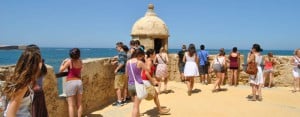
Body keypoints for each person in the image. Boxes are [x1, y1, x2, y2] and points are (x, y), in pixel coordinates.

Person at [3, 44, 43, 117]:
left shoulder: (19, 80)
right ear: (34, 66)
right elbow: (10, 114)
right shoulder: (23, 85)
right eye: (39, 62)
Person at [142, 49, 170, 115]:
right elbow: (146, 73)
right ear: (151, 55)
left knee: (154, 95)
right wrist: (152, 81)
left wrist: (153, 79)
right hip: (146, 81)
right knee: (153, 95)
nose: (155, 55)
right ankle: (160, 110)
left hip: (145, 80)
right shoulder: (149, 62)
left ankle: (160, 109)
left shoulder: (148, 60)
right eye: (154, 53)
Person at [59, 48, 83, 117]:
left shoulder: (70, 61)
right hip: (79, 82)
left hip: (71, 82)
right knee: (79, 103)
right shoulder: (80, 61)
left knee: (71, 105)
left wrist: (63, 62)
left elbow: (61, 70)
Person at [125, 48, 149, 117]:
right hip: (138, 85)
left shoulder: (128, 62)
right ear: (140, 55)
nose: (142, 58)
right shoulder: (139, 62)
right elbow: (148, 69)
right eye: (142, 56)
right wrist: (146, 59)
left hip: (130, 85)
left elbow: (126, 74)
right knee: (135, 107)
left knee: (136, 104)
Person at [111, 42, 128, 106]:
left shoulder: (121, 53)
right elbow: (122, 60)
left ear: (120, 47)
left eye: (116, 47)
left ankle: (119, 101)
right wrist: (116, 61)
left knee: (117, 87)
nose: (116, 48)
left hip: (120, 72)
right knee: (121, 86)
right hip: (124, 72)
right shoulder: (124, 53)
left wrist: (116, 69)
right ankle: (121, 100)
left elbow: (122, 63)